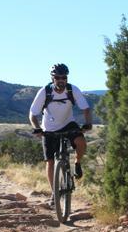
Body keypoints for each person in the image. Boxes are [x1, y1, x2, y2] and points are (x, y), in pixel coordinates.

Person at [29, 63, 93, 205]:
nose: (61, 80)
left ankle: (77, 162)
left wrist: (88, 123)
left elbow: (86, 109)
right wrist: (37, 128)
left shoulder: (72, 90)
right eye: (58, 77)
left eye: (64, 77)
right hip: (49, 129)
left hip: (68, 123)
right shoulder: (45, 92)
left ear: (67, 78)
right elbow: (33, 114)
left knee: (81, 142)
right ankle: (54, 192)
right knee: (50, 161)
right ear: (53, 78)